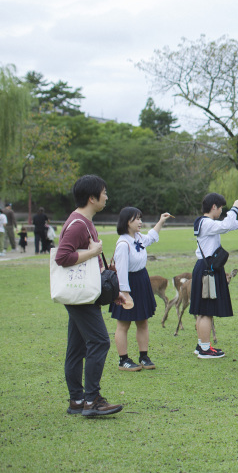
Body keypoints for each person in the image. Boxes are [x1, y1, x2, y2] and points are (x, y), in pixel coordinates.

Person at [55, 174, 132, 417]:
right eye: (103, 192)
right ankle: (92, 400)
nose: (106, 196)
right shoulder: (78, 224)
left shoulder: (84, 221)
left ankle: (77, 400)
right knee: (99, 341)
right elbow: (62, 257)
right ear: (92, 197)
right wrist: (93, 252)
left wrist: (111, 291)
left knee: (77, 348)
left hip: (83, 294)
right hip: (80, 296)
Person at [189, 194, 238, 358]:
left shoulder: (203, 222)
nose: (221, 211)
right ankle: (205, 349)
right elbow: (225, 225)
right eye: (221, 208)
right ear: (214, 207)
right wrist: (235, 208)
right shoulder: (207, 223)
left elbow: (223, 226)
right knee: (206, 311)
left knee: (202, 311)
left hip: (204, 267)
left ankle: (201, 345)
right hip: (208, 270)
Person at [111, 207, 171, 371]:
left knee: (142, 321)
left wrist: (161, 221)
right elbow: (121, 271)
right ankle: (123, 360)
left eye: (140, 218)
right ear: (127, 222)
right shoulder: (123, 243)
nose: (140, 222)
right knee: (123, 324)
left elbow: (151, 237)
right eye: (137, 218)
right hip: (128, 285)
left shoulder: (137, 237)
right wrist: (125, 294)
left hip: (142, 280)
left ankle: (144, 356)